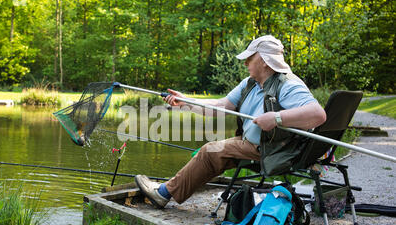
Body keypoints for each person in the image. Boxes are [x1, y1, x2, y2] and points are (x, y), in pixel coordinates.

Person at [135, 35, 326, 209]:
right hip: (252, 144)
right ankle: (166, 190)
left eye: (250, 58)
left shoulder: (288, 85)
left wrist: (277, 118)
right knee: (211, 153)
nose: (246, 63)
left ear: (265, 61)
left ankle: (162, 193)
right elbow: (220, 106)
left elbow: (318, 114)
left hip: (273, 149)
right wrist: (186, 103)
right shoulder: (249, 83)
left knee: (210, 152)